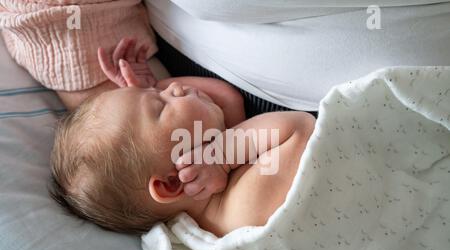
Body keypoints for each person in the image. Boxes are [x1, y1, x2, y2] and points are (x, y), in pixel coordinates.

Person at [50, 38, 316, 236]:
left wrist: (154, 87)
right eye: (161, 106)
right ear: (171, 183)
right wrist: (221, 155)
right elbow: (300, 128)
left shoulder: (221, 180)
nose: (174, 87)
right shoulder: (237, 213)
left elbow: (226, 98)